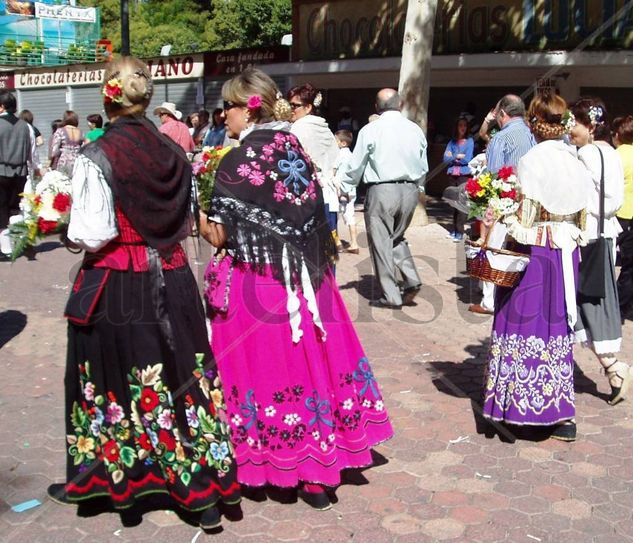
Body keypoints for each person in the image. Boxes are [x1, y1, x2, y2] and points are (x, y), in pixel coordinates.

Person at [47, 56, 240, 529]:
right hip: (174, 279)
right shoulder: (176, 151)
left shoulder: (98, 155)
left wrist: (61, 225)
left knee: (116, 379)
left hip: (121, 282)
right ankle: (203, 490)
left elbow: (93, 233)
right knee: (182, 374)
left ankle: (121, 485)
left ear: (107, 95)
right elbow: (185, 216)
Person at [200, 68, 393, 510]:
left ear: (247, 108)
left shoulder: (237, 161)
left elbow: (222, 237)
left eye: (227, 106)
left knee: (272, 372)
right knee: (314, 369)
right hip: (310, 280)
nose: (223, 115)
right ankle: (318, 473)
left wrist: (198, 205)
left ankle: (277, 464)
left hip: (262, 283)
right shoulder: (294, 149)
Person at [482, 91, 591, 442]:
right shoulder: (577, 161)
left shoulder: (532, 161)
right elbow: (584, 219)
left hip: (537, 252)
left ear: (533, 123)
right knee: (556, 327)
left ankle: (516, 410)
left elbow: (525, 222)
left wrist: (499, 212)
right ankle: (561, 415)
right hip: (567, 252)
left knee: (521, 323)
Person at [569, 97, 633, 405]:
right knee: (589, 305)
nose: (572, 128)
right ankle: (613, 368)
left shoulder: (587, 154)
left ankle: (615, 367)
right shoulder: (610, 153)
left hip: (588, 237)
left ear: (591, 125)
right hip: (605, 236)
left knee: (584, 305)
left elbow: (581, 198)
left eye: (576, 123)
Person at [342, 88, 427, 309]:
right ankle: (411, 280)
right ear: (400, 105)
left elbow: (356, 164)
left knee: (381, 242)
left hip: (382, 189)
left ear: (377, 107)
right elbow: (423, 164)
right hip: (409, 189)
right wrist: (419, 187)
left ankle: (391, 295)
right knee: (396, 236)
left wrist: (344, 185)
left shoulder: (371, 130)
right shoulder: (414, 130)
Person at [470, 94, 536, 316]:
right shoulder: (531, 134)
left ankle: (489, 300)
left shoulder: (501, 138)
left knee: (493, 247)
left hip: (503, 199)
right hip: (527, 201)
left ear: (503, 114)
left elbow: (493, 175)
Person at [288, 84, 341, 251]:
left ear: (308, 107)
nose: (291, 109)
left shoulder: (299, 127)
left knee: (310, 253)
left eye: (295, 105)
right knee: (327, 250)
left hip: (309, 197)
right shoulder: (324, 127)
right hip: (329, 195)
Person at [0, 90, 38, 260]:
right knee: (14, 208)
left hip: (1, 171)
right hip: (20, 172)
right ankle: (18, 243)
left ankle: (6, 249)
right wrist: (35, 170)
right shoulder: (26, 126)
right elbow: (32, 152)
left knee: (1, 210)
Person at [613, 116, 633, 318]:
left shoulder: (617, 156)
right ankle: (624, 304)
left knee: (609, 261)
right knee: (630, 265)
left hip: (620, 213)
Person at [442, 116, 474, 242]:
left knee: (462, 202)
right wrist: (457, 156)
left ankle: (459, 232)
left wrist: (453, 157)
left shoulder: (470, 141)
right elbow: (445, 159)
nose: (462, 128)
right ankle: (454, 230)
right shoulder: (452, 142)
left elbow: (467, 159)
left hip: (464, 175)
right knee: (453, 202)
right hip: (452, 175)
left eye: (464, 126)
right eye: (460, 125)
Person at [335, 129, 359, 254]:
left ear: (343, 143)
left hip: (339, 188)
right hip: (350, 189)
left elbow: (333, 169)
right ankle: (354, 242)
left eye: (336, 141)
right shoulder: (352, 155)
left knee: (335, 215)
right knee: (350, 216)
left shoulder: (340, 154)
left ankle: (337, 242)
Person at [50, 110, 83, 177]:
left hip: (64, 161)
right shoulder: (81, 132)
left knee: (64, 183)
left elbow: (54, 151)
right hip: (77, 162)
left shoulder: (60, 131)